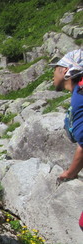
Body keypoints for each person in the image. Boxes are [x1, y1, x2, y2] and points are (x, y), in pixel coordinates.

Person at [50, 49, 83, 182]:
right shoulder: (79, 92)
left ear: (64, 70)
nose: (52, 75)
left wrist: (70, 173)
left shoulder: (80, 97)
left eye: (55, 69)